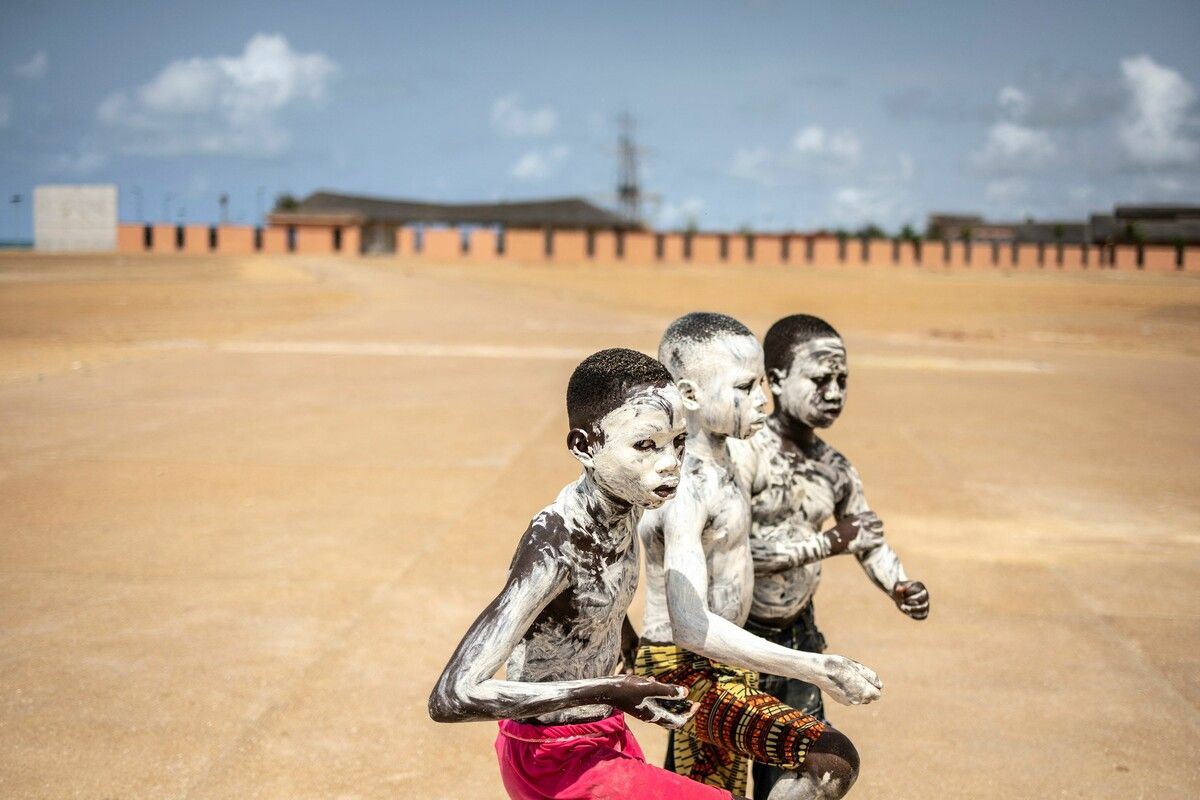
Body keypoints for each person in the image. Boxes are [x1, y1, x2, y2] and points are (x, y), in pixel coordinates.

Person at [429, 348, 744, 800]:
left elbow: (596, 592)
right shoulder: (554, 546)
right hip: (549, 756)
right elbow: (452, 695)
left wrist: (626, 642)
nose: (670, 462)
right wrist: (613, 688)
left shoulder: (628, 500)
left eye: (678, 441)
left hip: (604, 732)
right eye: (645, 445)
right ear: (584, 447)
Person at [635, 313, 882, 800]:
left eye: (763, 384)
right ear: (689, 395)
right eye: (745, 388)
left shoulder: (729, 457)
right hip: (687, 667)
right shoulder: (686, 488)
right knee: (829, 758)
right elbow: (691, 625)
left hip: (723, 663)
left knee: (715, 791)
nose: (763, 400)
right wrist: (815, 667)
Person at [741, 314, 929, 800]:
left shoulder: (835, 468)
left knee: (802, 767)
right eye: (820, 379)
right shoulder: (745, 455)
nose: (834, 392)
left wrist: (899, 584)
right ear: (776, 379)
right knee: (711, 774)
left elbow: (867, 537)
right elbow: (733, 555)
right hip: (732, 640)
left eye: (842, 380)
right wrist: (827, 544)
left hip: (799, 639)